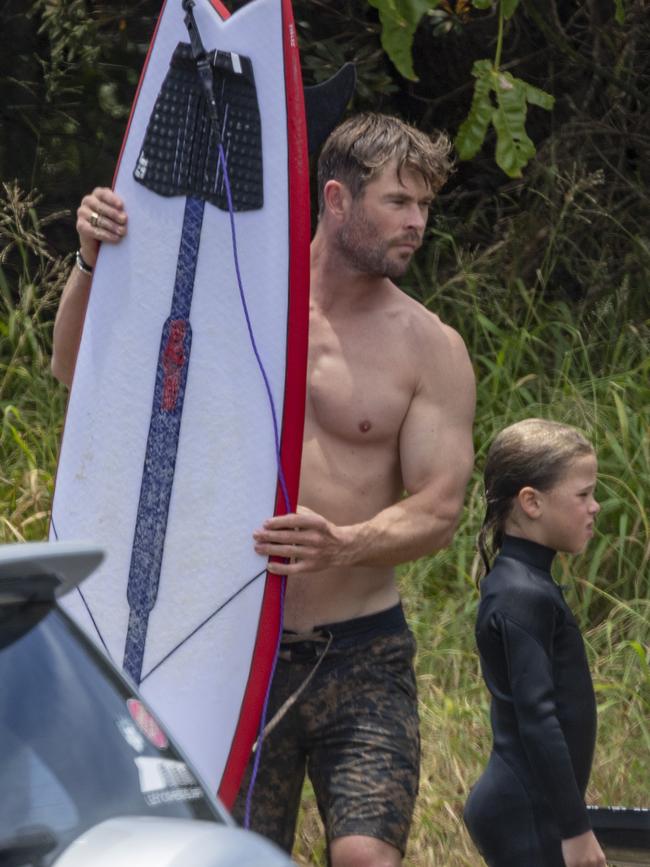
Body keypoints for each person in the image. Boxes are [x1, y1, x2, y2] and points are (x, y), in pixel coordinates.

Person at [51, 113, 476, 867]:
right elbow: (77, 368)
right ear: (337, 199)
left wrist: (347, 542)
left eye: (424, 208)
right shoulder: (231, 301)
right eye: (398, 202)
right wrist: (93, 261)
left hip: (362, 650)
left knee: (364, 856)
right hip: (232, 645)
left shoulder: (429, 345)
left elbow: (440, 508)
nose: (417, 223)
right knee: (236, 855)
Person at [463, 418, 606, 867]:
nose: (595, 507)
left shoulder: (524, 583)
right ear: (531, 502)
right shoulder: (521, 593)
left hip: (529, 807)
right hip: (524, 813)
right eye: (582, 494)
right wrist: (576, 830)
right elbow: (538, 719)